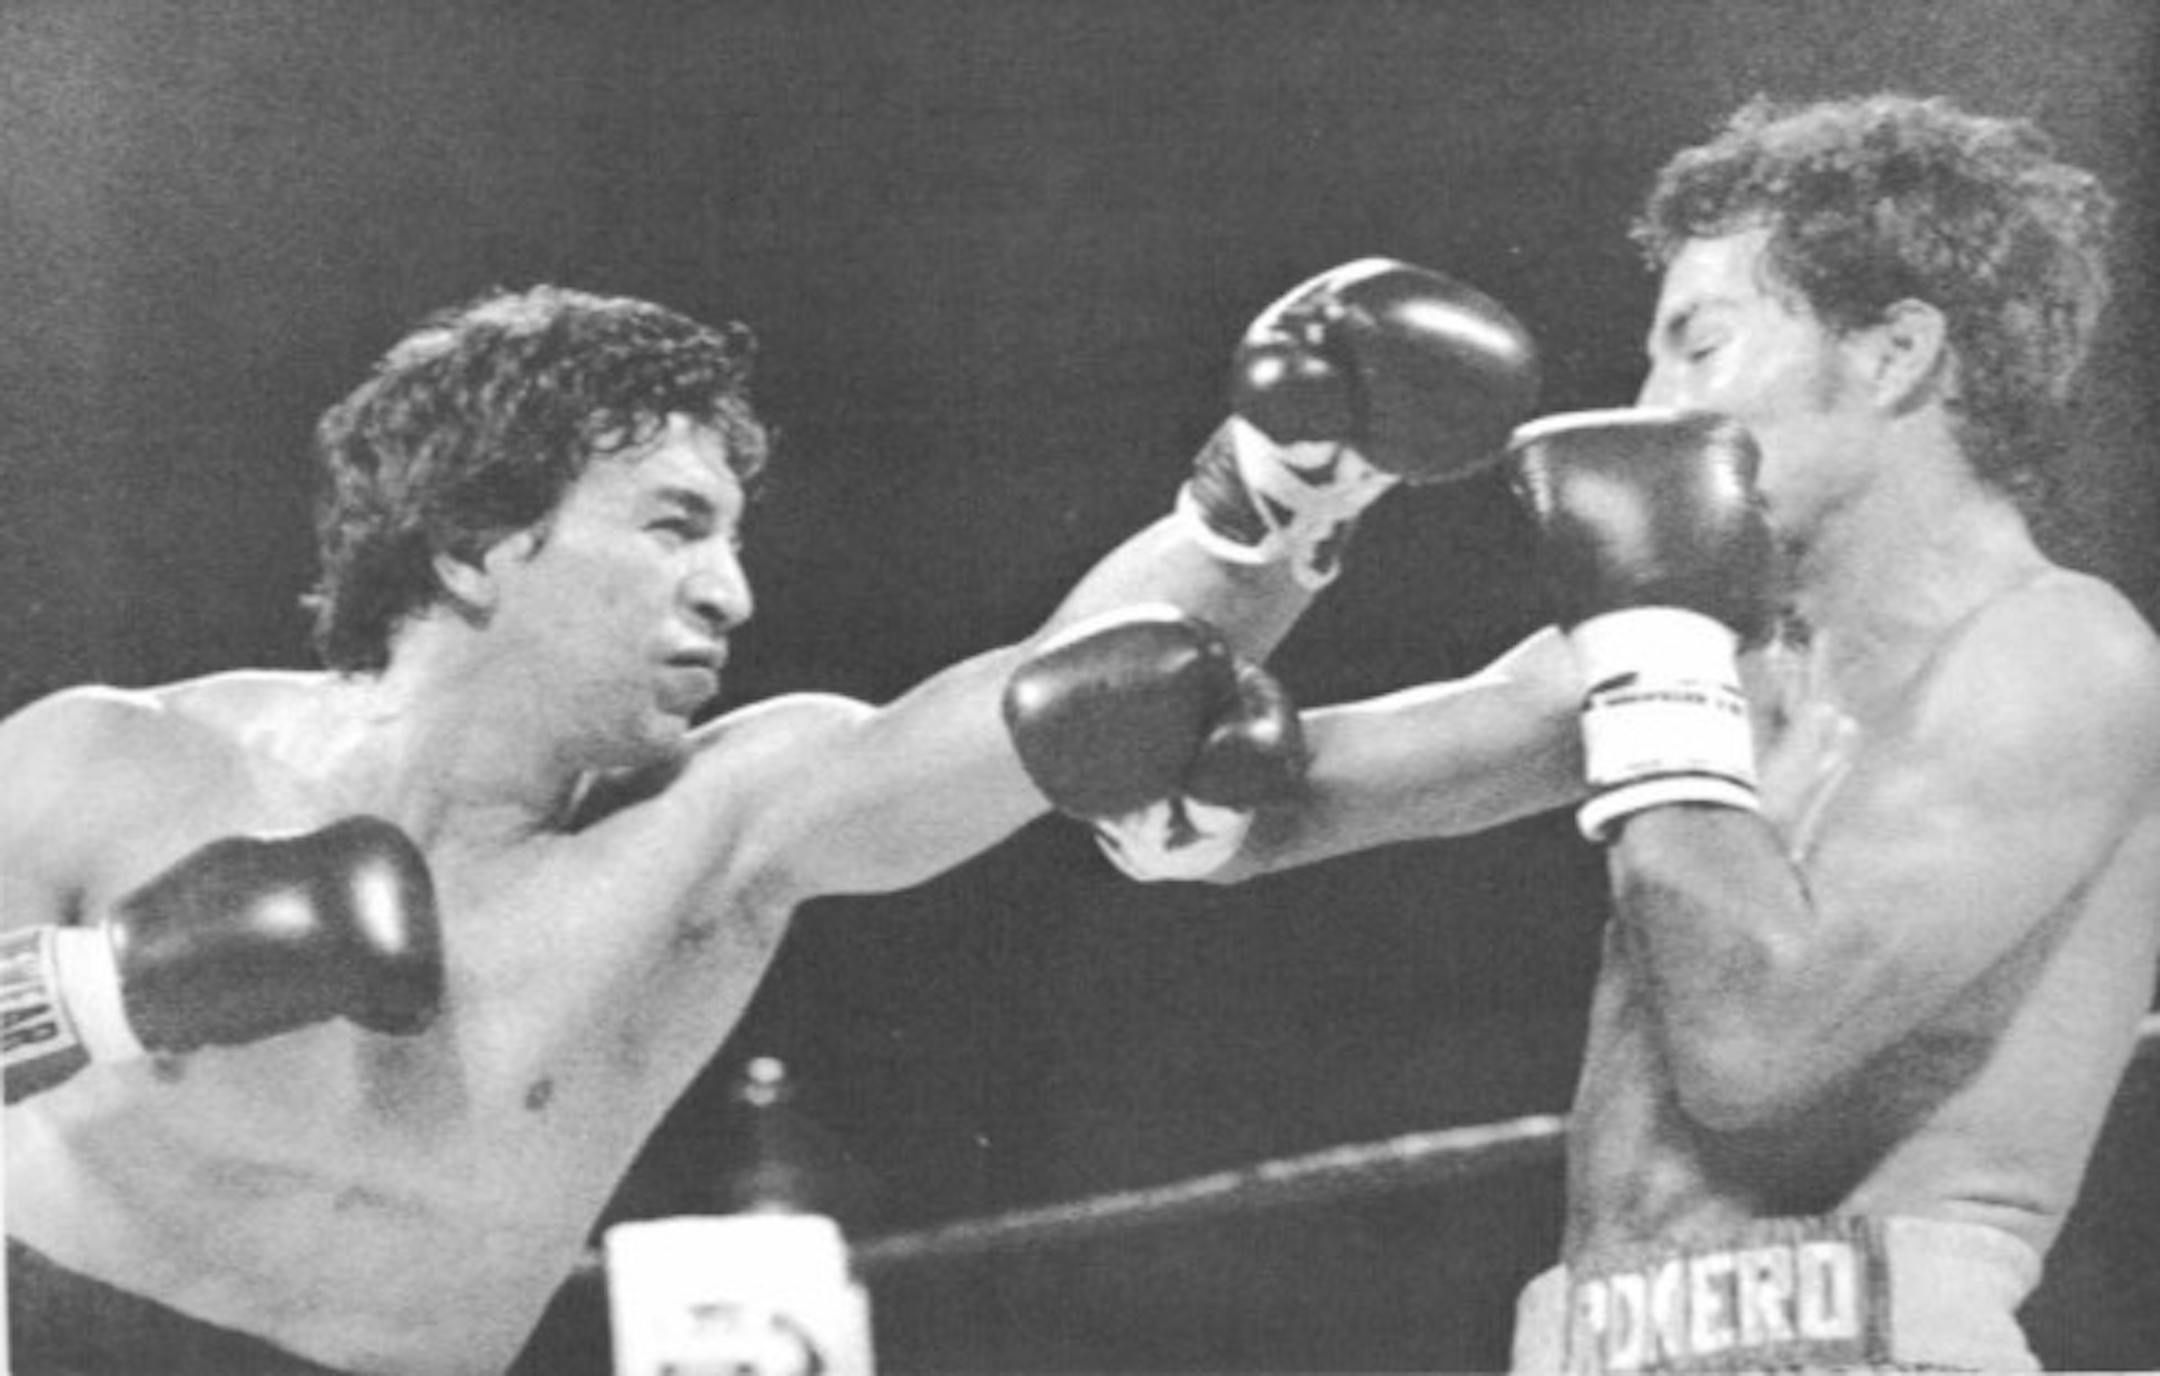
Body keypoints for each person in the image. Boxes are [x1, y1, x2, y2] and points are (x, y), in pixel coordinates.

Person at [0, 261, 1540, 1374]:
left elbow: (1065, 701)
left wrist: (1282, 487)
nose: (729, 592)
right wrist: (96, 991)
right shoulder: (115, 765)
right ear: (478, 544)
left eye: (733, 539)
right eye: (674, 528)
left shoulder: (711, 833)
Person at [1007, 94, 2160, 1372]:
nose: (1655, 406)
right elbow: (1208, 774)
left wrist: (1652, 641)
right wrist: (1274, 494)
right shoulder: (1716, 649)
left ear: (1893, 353)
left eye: (1701, 347)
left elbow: (1754, 1047)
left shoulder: (2063, 656)